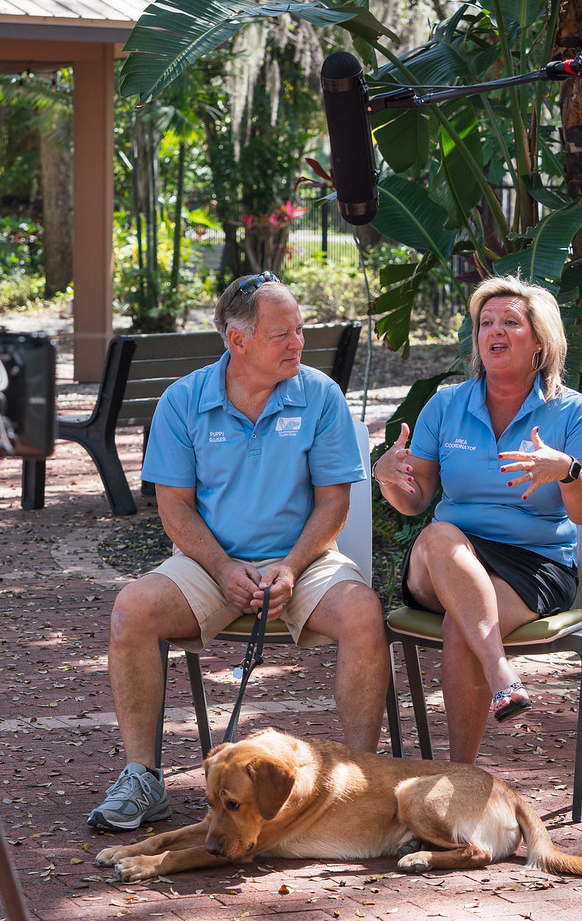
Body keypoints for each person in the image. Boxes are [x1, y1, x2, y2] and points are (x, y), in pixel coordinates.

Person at [88, 271, 392, 833]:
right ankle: (142, 777)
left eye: (301, 331)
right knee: (133, 609)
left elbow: (333, 505)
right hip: (212, 562)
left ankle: (361, 782)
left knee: (362, 614)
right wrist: (223, 567)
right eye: (283, 335)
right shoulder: (183, 401)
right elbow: (174, 508)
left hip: (305, 558)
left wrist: (291, 567)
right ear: (237, 340)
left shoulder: (320, 395)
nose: (298, 343)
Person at [374, 275, 582, 765]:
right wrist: (389, 478)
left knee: (466, 626)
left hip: (534, 564)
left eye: (510, 322)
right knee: (439, 534)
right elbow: (414, 504)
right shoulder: (446, 404)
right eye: (485, 323)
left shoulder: (574, 413)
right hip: (445, 559)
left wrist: (565, 471)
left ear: (539, 341)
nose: (493, 331)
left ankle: (461, 777)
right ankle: (503, 675)